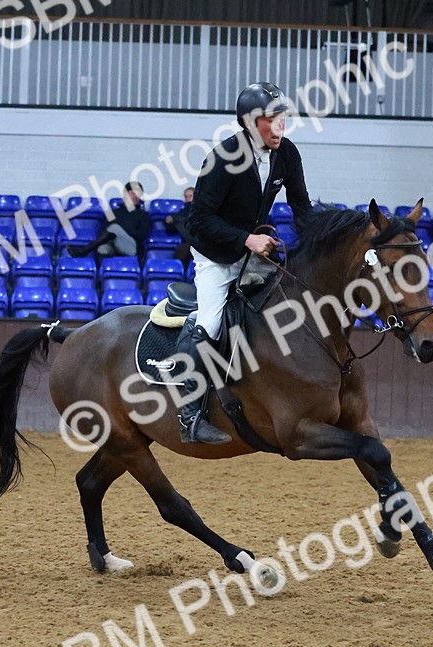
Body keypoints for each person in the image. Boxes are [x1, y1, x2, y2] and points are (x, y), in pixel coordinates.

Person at [176, 81, 314, 445]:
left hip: (253, 254)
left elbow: (302, 207)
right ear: (250, 122)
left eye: (283, 117)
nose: (281, 126)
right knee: (210, 322)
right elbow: (199, 220)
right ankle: (189, 414)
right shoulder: (223, 157)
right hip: (215, 255)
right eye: (272, 119)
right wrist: (245, 239)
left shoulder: (287, 154)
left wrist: (320, 241)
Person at [66, 181, 150, 259]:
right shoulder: (113, 212)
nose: (135, 196)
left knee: (114, 227)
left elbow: (142, 235)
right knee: (102, 248)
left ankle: (83, 251)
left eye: (138, 194)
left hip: (131, 248)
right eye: (132, 193)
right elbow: (103, 231)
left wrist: (122, 229)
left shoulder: (143, 215)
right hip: (112, 246)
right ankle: (104, 272)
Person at [165, 186, 195, 264]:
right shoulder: (182, 212)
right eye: (186, 197)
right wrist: (169, 221)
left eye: (190, 196)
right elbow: (171, 228)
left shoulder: (202, 211)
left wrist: (174, 219)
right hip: (189, 243)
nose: (188, 199)